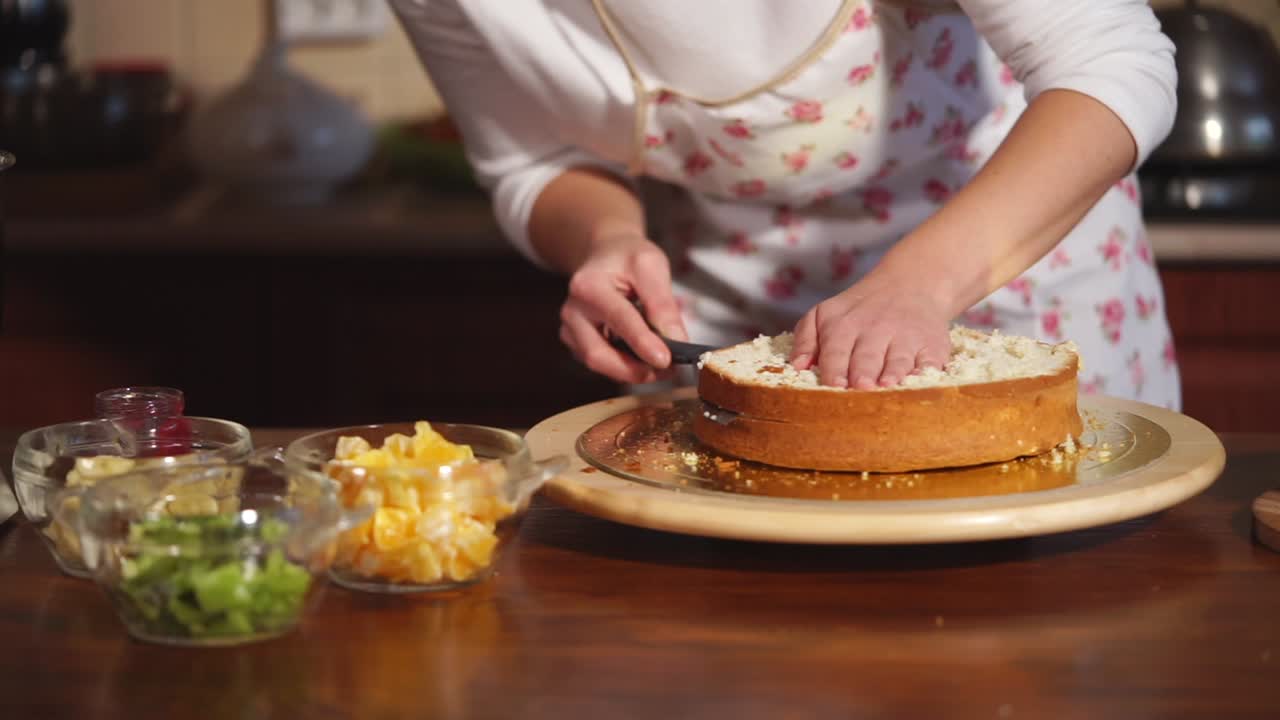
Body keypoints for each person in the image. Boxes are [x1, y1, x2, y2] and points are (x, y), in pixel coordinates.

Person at [389, 0, 1181, 408]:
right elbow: (531, 161)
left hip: (1006, 277)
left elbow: (1111, 61)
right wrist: (605, 236)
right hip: (727, 314)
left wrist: (918, 286)